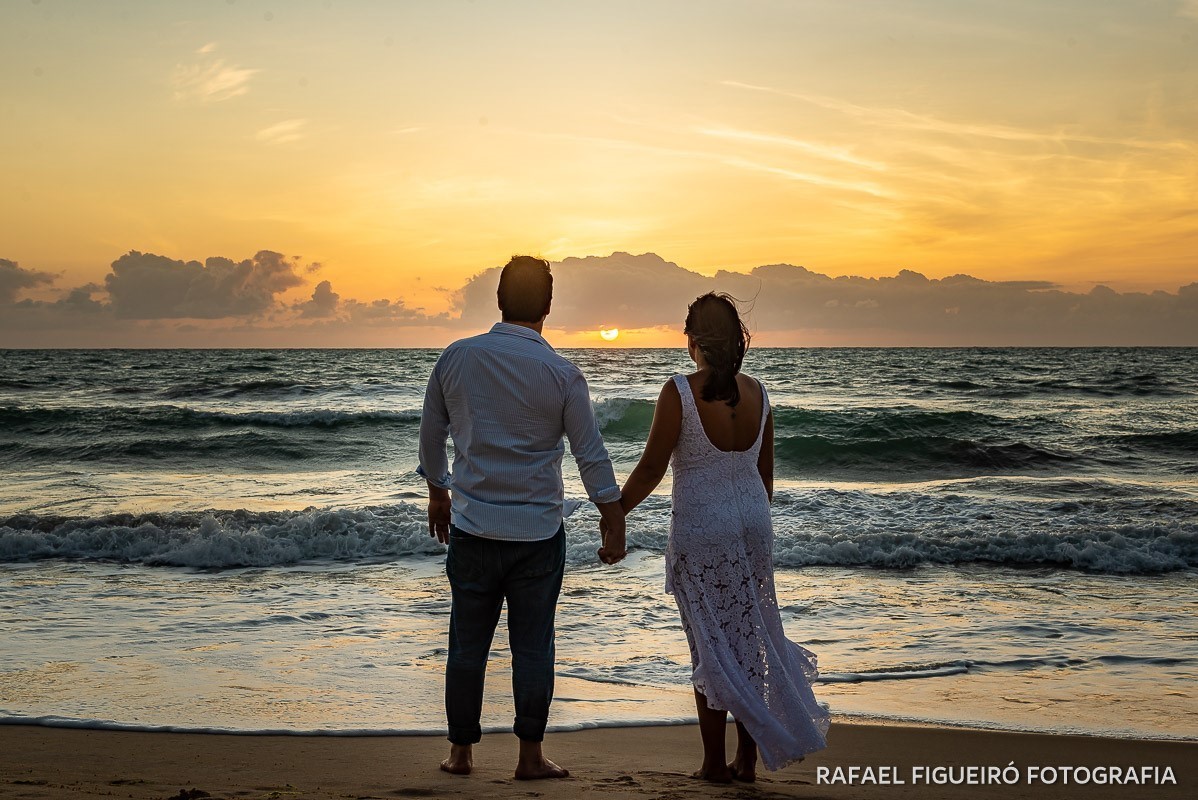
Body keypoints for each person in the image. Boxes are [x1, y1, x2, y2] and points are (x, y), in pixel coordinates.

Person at [417, 255, 627, 781]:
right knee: (534, 645)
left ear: (499, 301)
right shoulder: (562, 374)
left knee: (467, 645)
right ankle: (529, 757)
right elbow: (590, 453)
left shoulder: (456, 358)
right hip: (537, 534)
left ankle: (461, 754)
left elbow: (431, 433)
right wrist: (612, 514)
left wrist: (438, 492)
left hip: (472, 526)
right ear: (549, 307)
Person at [609, 292, 829, 782]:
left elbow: (650, 467)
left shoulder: (680, 392)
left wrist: (617, 511)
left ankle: (713, 763)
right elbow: (764, 477)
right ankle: (746, 758)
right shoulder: (759, 394)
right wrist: (747, 522)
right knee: (748, 641)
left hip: (702, 529)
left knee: (709, 644)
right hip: (753, 523)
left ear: (693, 340)